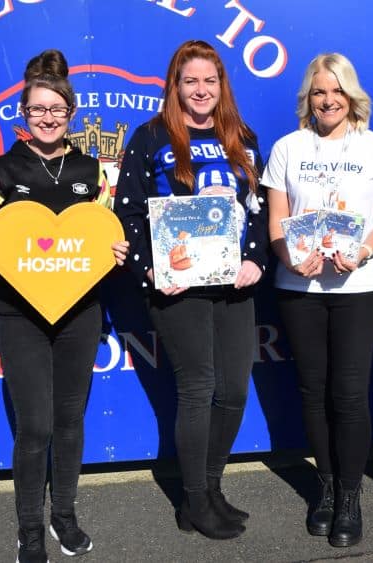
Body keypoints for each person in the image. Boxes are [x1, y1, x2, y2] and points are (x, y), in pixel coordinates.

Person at [0, 49, 128, 563]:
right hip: (20, 314)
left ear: (70, 113)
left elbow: (109, 232)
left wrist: (118, 251)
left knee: (69, 421)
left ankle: (64, 515)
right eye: (38, 109)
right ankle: (30, 528)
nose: (47, 118)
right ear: (24, 112)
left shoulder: (91, 170)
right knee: (34, 425)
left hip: (80, 313)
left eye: (56, 110)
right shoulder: (2, 168)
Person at [114, 39, 266, 540]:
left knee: (234, 392)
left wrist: (255, 259)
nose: (201, 90)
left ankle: (213, 487)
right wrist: (150, 270)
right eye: (190, 81)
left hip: (235, 286)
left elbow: (259, 210)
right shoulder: (151, 136)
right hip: (179, 286)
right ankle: (193, 500)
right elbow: (129, 213)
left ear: (222, 85)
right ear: (175, 86)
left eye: (210, 80)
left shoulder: (242, 136)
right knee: (198, 388)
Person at [264, 53, 373, 548]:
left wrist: (364, 250)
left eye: (337, 90)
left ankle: (350, 494)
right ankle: (325, 487)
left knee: (348, 394)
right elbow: (277, 221)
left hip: (356, 288)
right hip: (299, 287)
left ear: (351, 95)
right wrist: (288, 254)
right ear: (309, 97)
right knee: (312, 391)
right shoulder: (287, 148)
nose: (328, 100)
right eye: (320, 91)